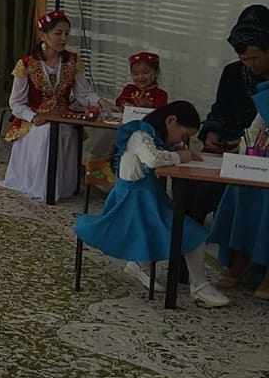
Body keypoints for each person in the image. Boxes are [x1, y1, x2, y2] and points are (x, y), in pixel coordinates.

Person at [73, 101, 230, 307]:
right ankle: (197, 284)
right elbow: (153, 159)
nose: (182, 141)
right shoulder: (140, 135)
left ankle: (146, 266)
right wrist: (179, 156)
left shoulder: (151, 137)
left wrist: (174, 151)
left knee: (187, 232)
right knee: (189, 233)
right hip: (134, 201)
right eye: (183, 135)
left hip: (145, 197)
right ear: (171, 121)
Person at [0, 9, 112, 201]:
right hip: (35, 119)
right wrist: (33, 117)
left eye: (67, 33)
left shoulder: (72, 61)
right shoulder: (26, 64)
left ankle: (63, 187)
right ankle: (42, 187)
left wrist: (99, 101)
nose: (64, 38)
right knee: (46, 134)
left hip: (63, 116)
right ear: (43, 35)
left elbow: (83, 93)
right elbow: (16, 103)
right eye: (58, 33)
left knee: (64, 132)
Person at [188, 4, 269, 224]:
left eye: (255, 58)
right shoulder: (233, 72)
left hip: (259, 155)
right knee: (187, 183)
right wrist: (212, 132)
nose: (250, 65)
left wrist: (246, 143)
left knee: (210, 191)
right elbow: (221, 109)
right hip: (226, 145)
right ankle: (187, 238)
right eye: (244, 59)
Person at [209, 79, 269, 296]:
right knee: (240, 189)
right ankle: (238, 261)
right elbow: (252, 133)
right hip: (261, 167)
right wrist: (248, 155)